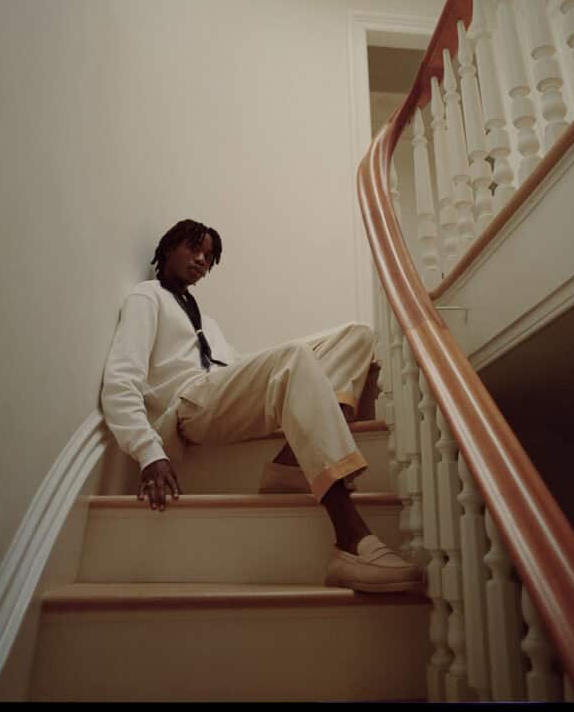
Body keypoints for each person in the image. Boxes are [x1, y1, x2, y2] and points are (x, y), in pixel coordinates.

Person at [100, 218, 424, 594]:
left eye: (209, 255)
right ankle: (350, 541)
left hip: (218, 392)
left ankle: (291, 463)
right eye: (194, 248)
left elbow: (232, 368)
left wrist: (285, 363)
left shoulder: (206, 321)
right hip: (188, 406)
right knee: (293, 357)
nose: (202, 260)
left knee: (357, 336)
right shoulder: (147, 297)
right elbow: (121, 382)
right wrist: (148, 451)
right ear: (169, 246)